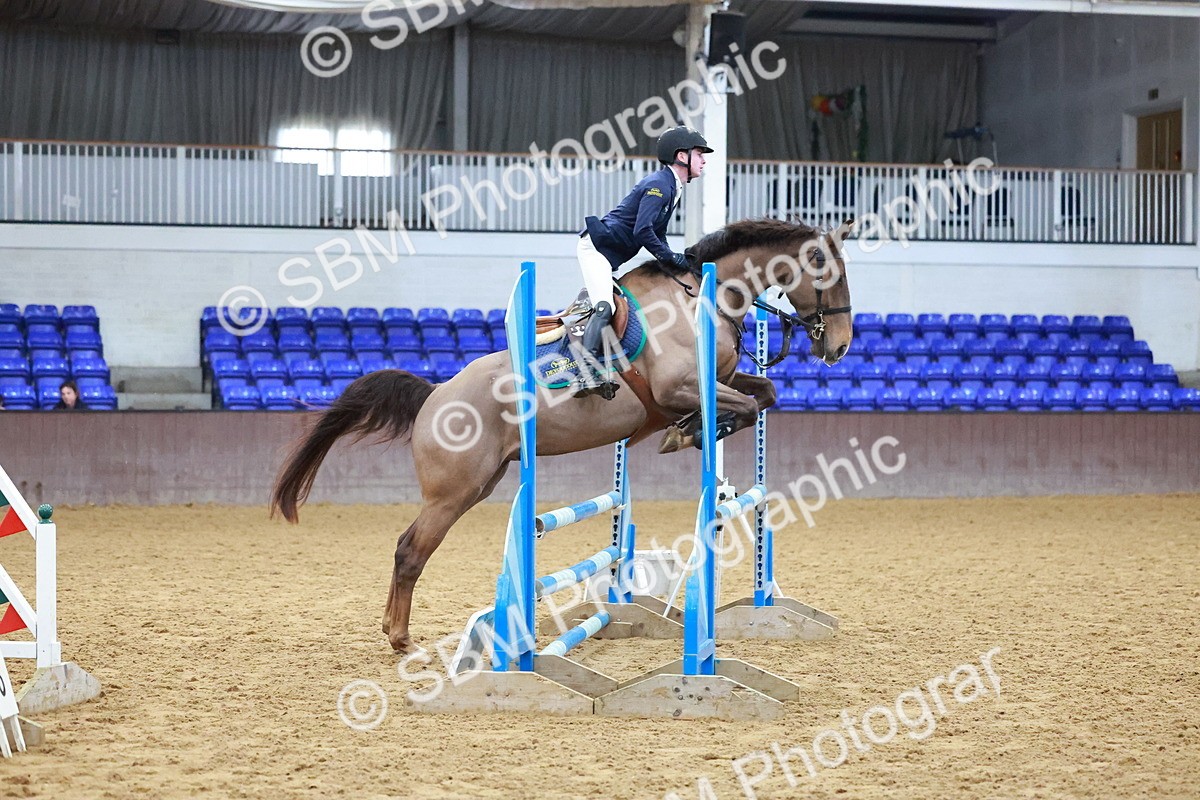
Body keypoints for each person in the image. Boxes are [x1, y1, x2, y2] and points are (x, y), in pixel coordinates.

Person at [574, 125, 713, 397]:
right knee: (604, 307)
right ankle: (584, 373)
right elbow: (642, 231)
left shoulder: (673, 187)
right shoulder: (659, 186)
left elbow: (657, 233)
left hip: (610, 251)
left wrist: (671, 262)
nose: (704, 160)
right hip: (595, 249)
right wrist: (670, 257)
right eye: (699, 154)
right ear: (681, 156)